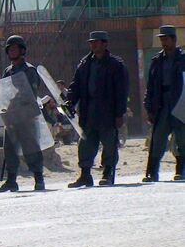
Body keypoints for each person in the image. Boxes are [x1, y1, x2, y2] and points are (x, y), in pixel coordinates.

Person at [66, 31, 129, 187]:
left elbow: (122, 91)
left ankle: (108, 172)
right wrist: (70, 102)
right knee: (86, 143)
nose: (93, 45)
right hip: (89, 110)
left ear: (105, 44)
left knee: (109, 143)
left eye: (97, 42)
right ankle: (85, 174)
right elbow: (76, 86)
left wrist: (119, 113)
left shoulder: (115, 65)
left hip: (108, 111)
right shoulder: (84, 64)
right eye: (91, 42)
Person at [0, 35, 46, 193]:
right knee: (9, 148)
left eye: (14, 48)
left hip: (26, 115)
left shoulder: (29, 70)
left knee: (31, 147)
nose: (11, 51)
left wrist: (15, 101)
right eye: (9, 49)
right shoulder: (8, 71)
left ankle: (39, 178)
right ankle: (11, 180)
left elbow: (29, 91)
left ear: (22, 50)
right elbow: (3, 90)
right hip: (11, 115)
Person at [144, 25, 185, 182]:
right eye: (161, 39)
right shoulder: (157, 60)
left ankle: (181, 170)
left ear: (174, 40)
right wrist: (149, 106)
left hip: (180, 102)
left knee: (182, 138)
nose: (163, 42)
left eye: (166, 39)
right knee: (157, 139)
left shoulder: (182, 58)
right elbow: (151, 85)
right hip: (161, 104)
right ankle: (152, 172)